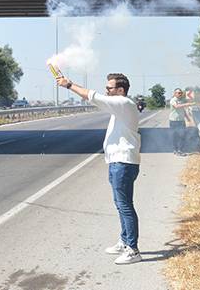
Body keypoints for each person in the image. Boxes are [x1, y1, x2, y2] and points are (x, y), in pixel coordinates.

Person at [56, 72, 142, 265]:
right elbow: (96, 99)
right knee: (120, 204)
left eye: (109, 88)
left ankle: (133, 249)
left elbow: (93, 96)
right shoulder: (119, 107)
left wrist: (69, 84)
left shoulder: (124, 103)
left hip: (123, 163)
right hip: (117, 162)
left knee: (125, 205)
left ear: (120, 90)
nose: (106, 91)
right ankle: (124, 240)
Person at [168, 88, 197, 156]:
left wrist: (187, 118)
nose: (180, 94)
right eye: (178, 93)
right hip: (174, 121)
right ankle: (175, 150)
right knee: (175, 136)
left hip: (181, 121)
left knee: (182, 135)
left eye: (181, 93)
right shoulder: (173, 100)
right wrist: (188, 104)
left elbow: (182, 110)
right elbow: (177, 106)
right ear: (175, 94)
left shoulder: (181, 101)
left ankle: (180, 150)